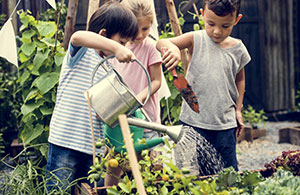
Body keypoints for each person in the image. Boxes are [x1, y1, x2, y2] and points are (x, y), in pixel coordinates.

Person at [45, 2, 138, 193]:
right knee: (58, 190)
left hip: (91, 148)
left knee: (91, 190)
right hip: (65, 140)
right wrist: (116, 48)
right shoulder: (81, 54)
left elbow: (103, 112)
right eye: (122, 42)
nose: (123, 47)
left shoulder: (109, 69)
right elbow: (78, 36)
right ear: (103, 35)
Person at [156, 0, 251, 171]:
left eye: (225, 26)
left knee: (227, 173)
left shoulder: (238, 48)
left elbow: (240, 80)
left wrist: (238, 110)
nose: (216, 31)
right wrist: (174, 49)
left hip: (224, 124)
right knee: (189, 172)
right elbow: (161, 43)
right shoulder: (196, 38)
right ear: (202, 14)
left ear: (236, 20)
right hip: (192, 121)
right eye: (211, 23)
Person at [104, 0, 163, 186]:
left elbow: (156, 81)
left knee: (152, 166)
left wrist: (139, 97)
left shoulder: (150, 47)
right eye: (136, 29)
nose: (140, 34)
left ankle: (151, 188)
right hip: (120, 117)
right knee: (115, 163)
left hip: (146, 119)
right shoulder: (117, 47)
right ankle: (108, 190)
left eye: (145, 29)